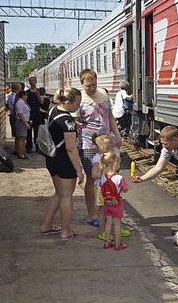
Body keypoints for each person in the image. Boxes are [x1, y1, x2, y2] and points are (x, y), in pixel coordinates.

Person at [74, 69, 123, 228]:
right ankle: (92, 213)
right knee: (92, 177)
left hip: (107, 142)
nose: (92, 88)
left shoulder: (103, 93)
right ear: (82, 84)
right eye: (89, 86)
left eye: (94, 84)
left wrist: (118, 136)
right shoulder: (79, 100)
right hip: (88, 143)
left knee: (110, 175)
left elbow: (110, 116)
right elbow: (76, 122)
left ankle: (108, 210)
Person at [40, 87, 85, 240]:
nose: (78, 107)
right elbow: (71, 148)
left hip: (51, 158)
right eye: (77, 104)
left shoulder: (53, 110)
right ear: (67, 102)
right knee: (66, 196)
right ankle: (66, 231)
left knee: (58, 193)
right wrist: (79, 170)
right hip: (64, 161)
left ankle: (47, 225)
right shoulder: (67, 120)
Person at [90, 134, 131, 241]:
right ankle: (103, 231)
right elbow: (94, 174)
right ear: (100, 148)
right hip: (101, 188)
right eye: (107, 148)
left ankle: (115, 228)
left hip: (111, 186)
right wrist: (104, 173)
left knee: (114, 207)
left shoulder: (109, 157)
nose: (110, 150)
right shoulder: (97, 159)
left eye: (111, 147)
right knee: (103, 209)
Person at [97, 150, 129, 250]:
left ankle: (107, 242)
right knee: (117, 223)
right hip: (117, 204)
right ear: (115, 164)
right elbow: (125, 189)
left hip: (107, 203)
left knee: (108, 223)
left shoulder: (103, 177)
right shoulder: (119, 178)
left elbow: (101, 186)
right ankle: (118, 243)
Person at [25, 76, 45, 154]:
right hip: (29, 113)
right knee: (29, 130)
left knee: (37, 130)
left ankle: (37, 146)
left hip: (37, 113)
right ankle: (29, 146)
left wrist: (38, 95)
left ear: (36, 81)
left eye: (33, 80)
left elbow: (42, 102)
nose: (32, 82)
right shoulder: (27, 92)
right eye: (30, 80)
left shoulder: (39, 91)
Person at [14, 90, 30, 159]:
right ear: (23, 96)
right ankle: (20, 153)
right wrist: (26, 123)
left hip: (22, 122)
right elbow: (20, 114)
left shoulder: (22, 102)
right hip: (21, 122)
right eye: (26, 95)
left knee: (21, 137)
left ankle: (19, 151)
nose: (27, 97)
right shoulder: (20, 103)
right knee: (22, 138)